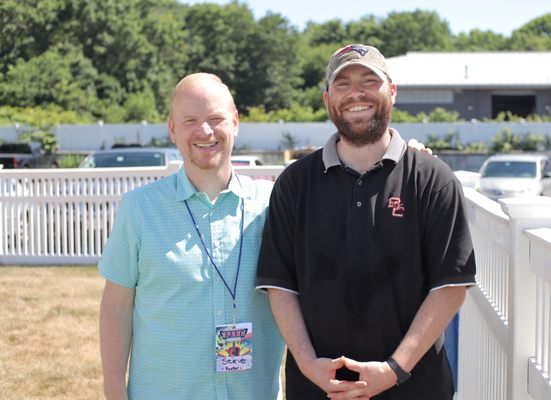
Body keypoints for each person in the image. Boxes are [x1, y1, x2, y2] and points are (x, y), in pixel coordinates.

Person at [256, 44, 477, 399]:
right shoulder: (295, 183)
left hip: (415, 387)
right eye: (342, 84)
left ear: (391, 91)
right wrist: (308, 363)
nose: (355, 93)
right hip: (317, 388)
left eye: (368, 80)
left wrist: (394, 369)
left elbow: (450, 286)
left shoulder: (433, 179)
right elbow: (281, 285)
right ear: (328, 99)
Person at [98, 73, 284, 400]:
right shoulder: (140, 209)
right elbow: (116, 307)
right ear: (172, 129)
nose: (205, 131)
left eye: (215, 118)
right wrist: (114, 392)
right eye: (190, 120)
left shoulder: (274, 205)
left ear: (236, 122)